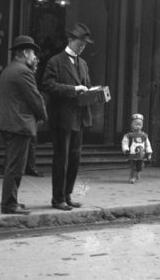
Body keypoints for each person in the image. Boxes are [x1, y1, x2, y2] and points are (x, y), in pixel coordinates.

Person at [42, 23, 94, 211]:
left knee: (74, 158)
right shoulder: (55, 61)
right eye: (80, 44)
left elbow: (86, 86)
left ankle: (67, 195)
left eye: (85, 45)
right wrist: (74, 89)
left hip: (78, 118)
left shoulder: (84, 64)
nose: (82, 47)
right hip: (62, 118)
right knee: (61, 159)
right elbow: (48, 85)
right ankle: (57, 198)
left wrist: (94, 93)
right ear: (70, 40)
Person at [0, 36, 48, 215]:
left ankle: (11, 201)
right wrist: (43, 115)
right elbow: (35, 98)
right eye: (33, 54)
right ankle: (9, 205)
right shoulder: (23, 71)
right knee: (15, 167)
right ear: (25, 53)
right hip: (18, 125)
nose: (35, 58)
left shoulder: (9, 69)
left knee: (13, 165)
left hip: (9, 124)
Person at [25, 56, 44, 177]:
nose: (37, 62)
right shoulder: (27, 74)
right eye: (35, 60)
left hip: (30, 114)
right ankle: (30, 168)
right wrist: (41, 114)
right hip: (26, 114)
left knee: (32, 142)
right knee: (29, 142)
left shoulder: (30, 74)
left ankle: (30, 168)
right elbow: (34, 97)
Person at [121, 114, 153, 183]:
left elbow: (147, 145)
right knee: (133, 166)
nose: (138, 126)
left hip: (141, 154)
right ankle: (132, 177)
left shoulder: (144, 135)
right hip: (132, 153)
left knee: (141, 166)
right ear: (132, 124)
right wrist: (126, 149)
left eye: (140, 124)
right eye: (136, 124)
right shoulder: (128, 135)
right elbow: (125, 143)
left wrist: (149, 152)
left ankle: (137, 173)